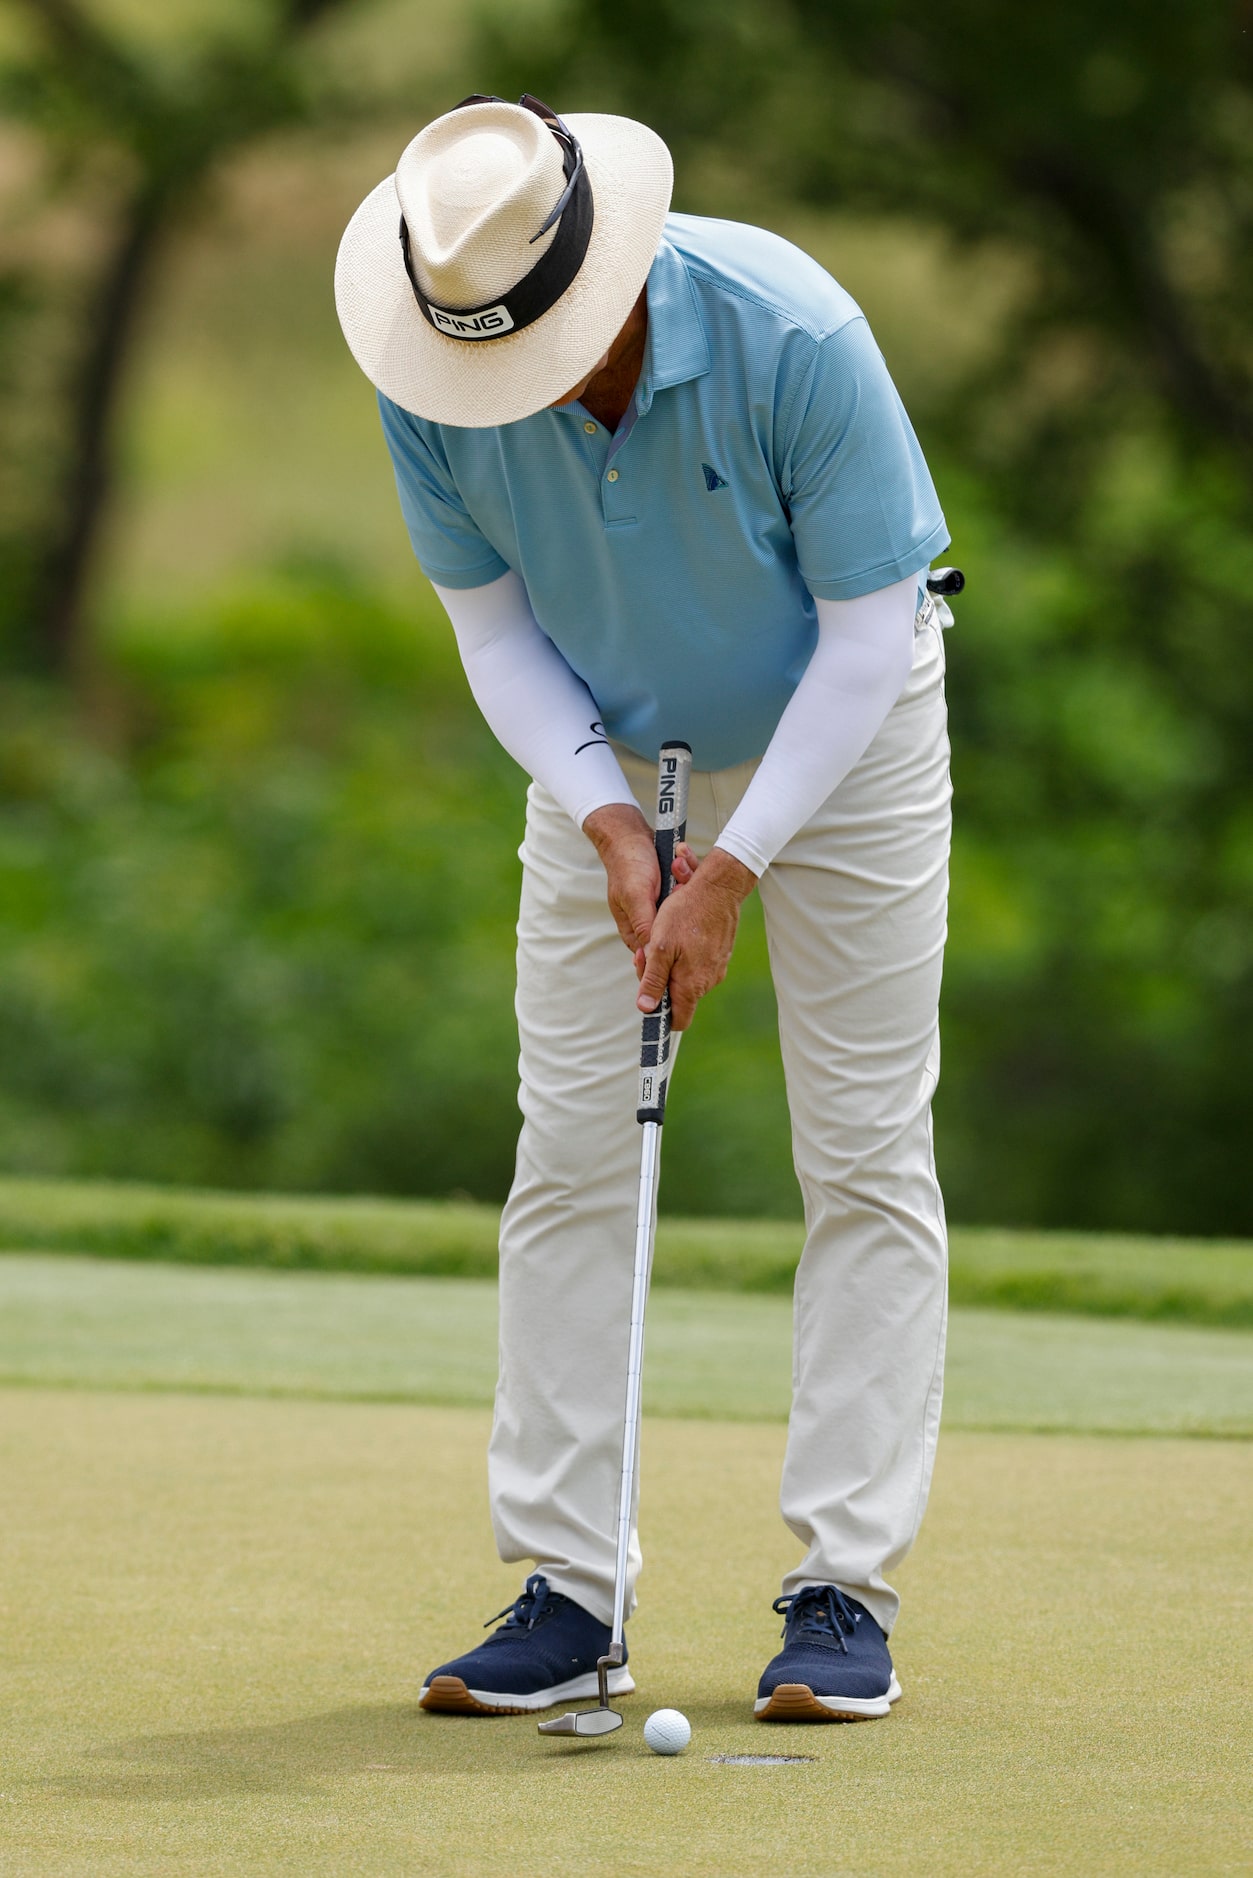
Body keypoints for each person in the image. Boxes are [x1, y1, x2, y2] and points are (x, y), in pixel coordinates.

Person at [335, 93, 955, 1724]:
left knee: (864, 1147)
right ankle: (565, 1584)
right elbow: (492, 633)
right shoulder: (426, 379)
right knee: (571, 1152)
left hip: (850, 725)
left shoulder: (791, 330)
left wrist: (733, 869)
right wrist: (612, 820)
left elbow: (868, 625)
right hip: (609, 755)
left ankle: (841, 1586)